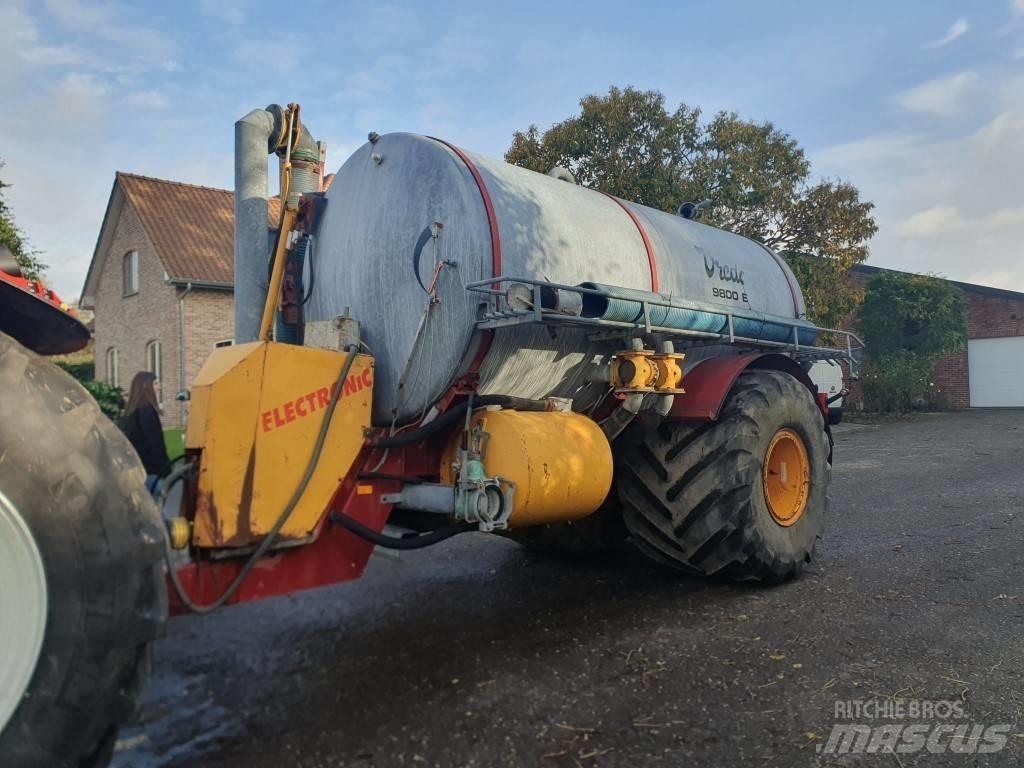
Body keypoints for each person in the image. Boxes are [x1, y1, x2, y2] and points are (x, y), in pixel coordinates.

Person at [121, 371, 169, 494]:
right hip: (151, 470)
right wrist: (166, 469)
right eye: (155, 383)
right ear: (145, 386)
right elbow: (154, 442)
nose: (159, 387)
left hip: (137, 468)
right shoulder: (147, 410)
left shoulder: (131, 412)